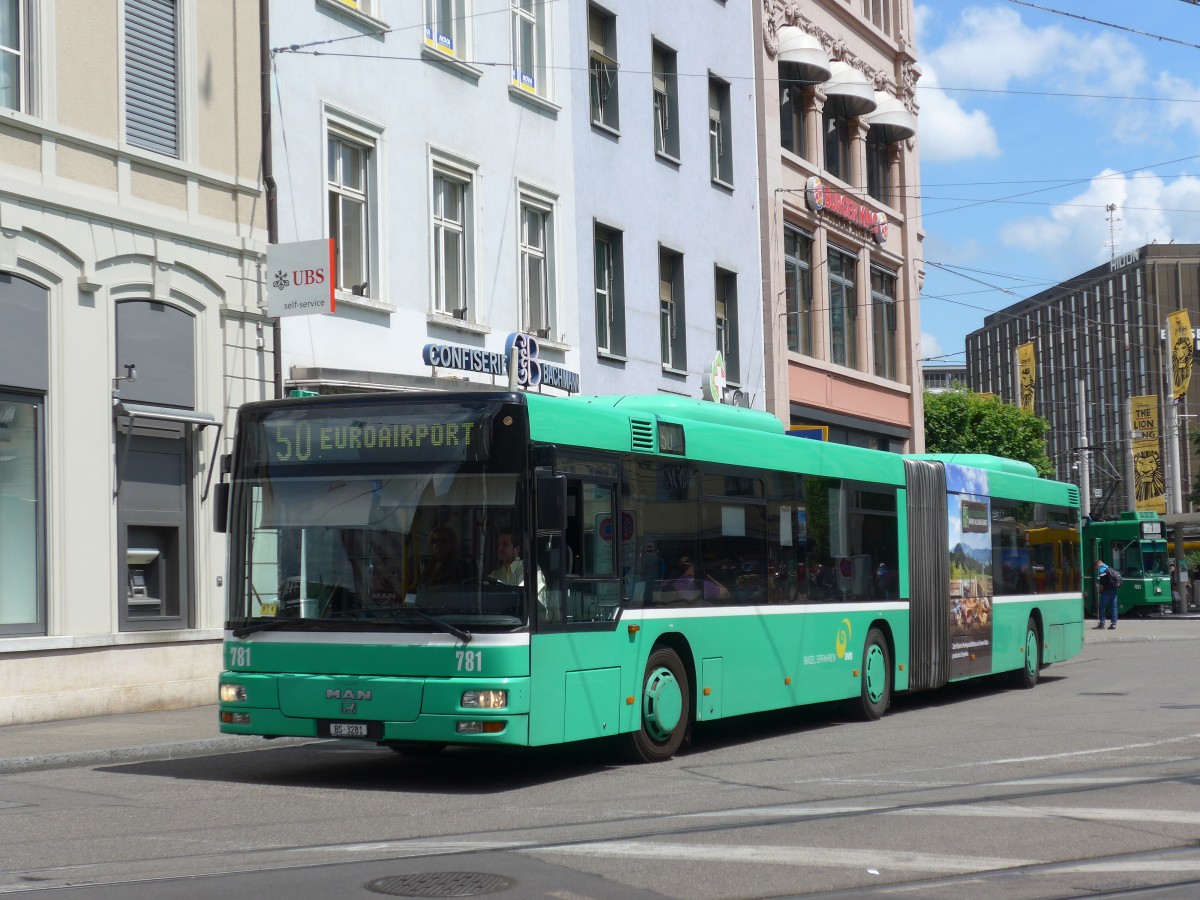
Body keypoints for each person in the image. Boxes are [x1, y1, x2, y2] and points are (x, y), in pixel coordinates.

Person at [665, 556, 729, 602]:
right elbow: (726, 594)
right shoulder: (701, 584)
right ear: (692, 566)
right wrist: (707, 575)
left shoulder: (670, 582)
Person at [1095, 559, 1118, 630]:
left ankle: (1102, 624)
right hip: (1114, 590)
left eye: (1096, 566)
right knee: (1114, 607)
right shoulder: (1109, 568)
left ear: (1098, 564)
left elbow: (1102, 582)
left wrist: (1100, 589)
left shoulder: (1102, 570)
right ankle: (1113, 624)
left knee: (1102, 607)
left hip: (1106, 591)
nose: (1096, 568)